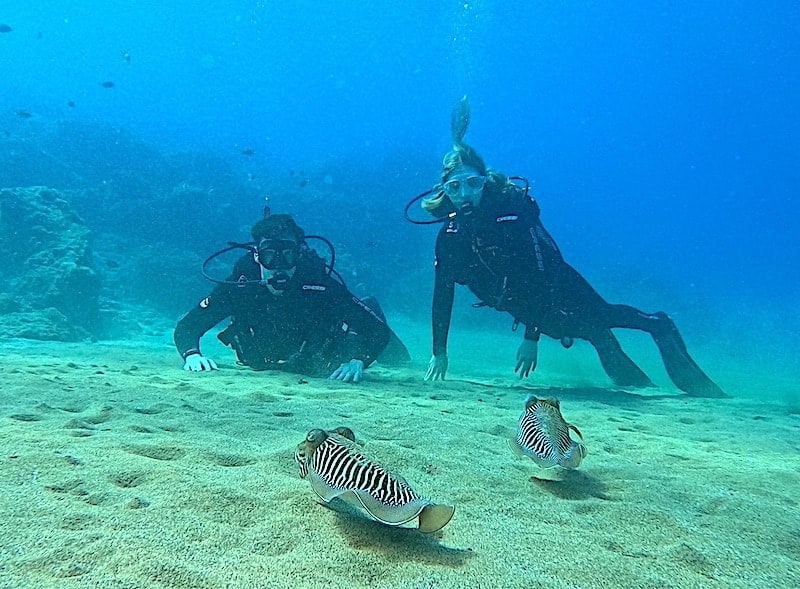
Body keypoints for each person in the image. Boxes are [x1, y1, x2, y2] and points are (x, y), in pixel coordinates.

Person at [419, 97, 725, 398]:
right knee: (591, 332)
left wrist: (531, 336)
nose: (464, 194)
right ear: (444, 192)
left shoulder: (511, 217)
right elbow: (442, 293)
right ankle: (638, 384)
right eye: (454, 187)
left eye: (472, 183)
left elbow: (538, 274)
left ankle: (657, 324)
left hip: (559, 285)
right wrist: (439, 353)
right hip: (528, 308)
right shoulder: (450, 237)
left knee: (602, 316)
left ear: (485, 182)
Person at [174, 213, 409, 383]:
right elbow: (188, 327)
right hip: (265, 356)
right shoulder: (240, 285)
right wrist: (192, 355)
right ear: (257, 257)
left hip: (317, 354)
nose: (279, 266)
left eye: (287, 255)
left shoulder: (317, 280)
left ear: (298, 255)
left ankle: (373, 311)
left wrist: (360, 360)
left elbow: (377, 331)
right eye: (269, 255)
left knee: (393, 356)